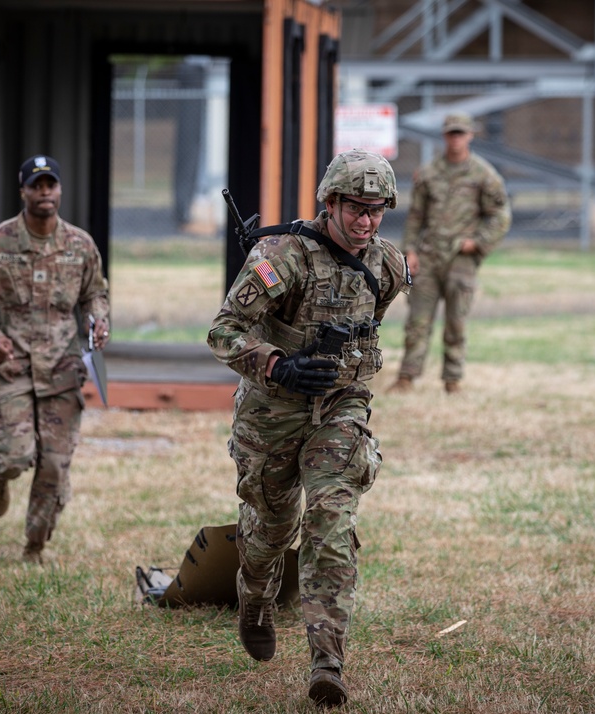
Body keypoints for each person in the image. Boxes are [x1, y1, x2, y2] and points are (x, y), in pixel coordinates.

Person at [207, 149, 410, 707]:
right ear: (330, 203)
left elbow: (370, 323)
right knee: (271, 529)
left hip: (341, 409)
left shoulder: (388, 264)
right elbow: (223, 332)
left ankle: (328, 661)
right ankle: (255, 596)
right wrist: (277, 363)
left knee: (330, 522)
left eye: (377, 211)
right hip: (271, 412)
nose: (366, 222)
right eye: (356, 209)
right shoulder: (282, 257)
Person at [0, 155, 110, 564]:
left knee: (55, 464)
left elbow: (94, 294)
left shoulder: (80, 245)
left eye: (51, 184)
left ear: (60, 190)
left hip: (62, 368)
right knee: (16, 457)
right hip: (13, 367)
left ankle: (34, 547)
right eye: (36, 185)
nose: (45, 192)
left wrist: (99, 321)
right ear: (23, 191)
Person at [387, 112, 511, 395]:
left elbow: (500, 215)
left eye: (460, 133)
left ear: (470, 135)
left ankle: (452, 380)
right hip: (429, 256)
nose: (455, 138)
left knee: (456, 321)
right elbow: (416, 217)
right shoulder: (428, 174)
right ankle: (407, 377)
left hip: (460, 258)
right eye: (451, 133)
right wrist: (410, 251)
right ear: (444, 136)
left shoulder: (483, 174)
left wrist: (477, 242)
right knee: (417, 320)